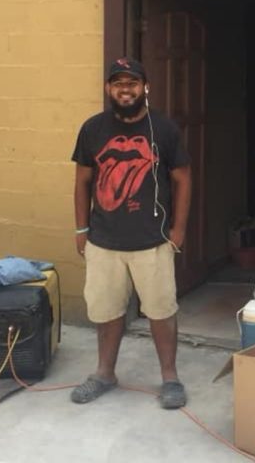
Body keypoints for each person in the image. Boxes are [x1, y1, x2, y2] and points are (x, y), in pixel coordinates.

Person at [69, 57, 192, 409]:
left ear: (145, 87)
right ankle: (104, 373)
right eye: (118, 83)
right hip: (103, 240)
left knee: (161, 310)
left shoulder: (164, 129)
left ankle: (170, 378)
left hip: (153, 241)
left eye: (132, 83)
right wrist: (81, 228)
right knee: (106, 311)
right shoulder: (92, 129)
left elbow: (183, 179)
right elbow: (82, 181)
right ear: (108, 88)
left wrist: (179, 228)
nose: (126, 89)